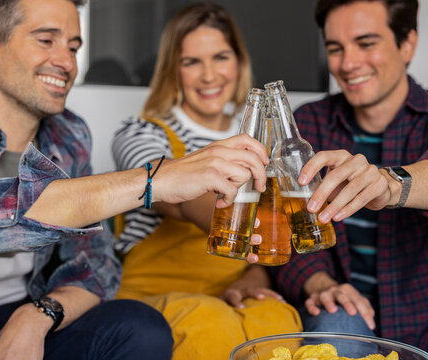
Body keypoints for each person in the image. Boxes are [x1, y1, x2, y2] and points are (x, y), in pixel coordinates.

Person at [0, 0, 269, 359]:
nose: (67, 62)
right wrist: (155, 181)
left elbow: (94, 264)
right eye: (46, 41)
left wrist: (36, 316)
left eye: (73, 47)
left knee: (141, 328)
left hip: (22, 310)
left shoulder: (69, 133)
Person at [268, 0, 428, 359]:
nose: (348, 64)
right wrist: (321, 285)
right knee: (335, 331)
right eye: (335, 49)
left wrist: (390, 185)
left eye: (366, 43)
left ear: (407, 44)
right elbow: (288, 227)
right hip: (342, 312)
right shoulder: (308, 125)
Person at [111, 3, 301, 359]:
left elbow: (264, 253)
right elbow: (170, 195)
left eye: (221, 57)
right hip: (154, 294)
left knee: (275, 322)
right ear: (172, 71)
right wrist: (241, 218)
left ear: (239, 62)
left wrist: (253, 280)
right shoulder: (143, 133)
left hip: (232, 290)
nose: (209, 75)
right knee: (208, 323)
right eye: (191, 62)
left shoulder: (266, 144)